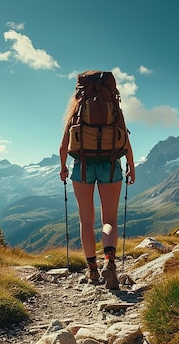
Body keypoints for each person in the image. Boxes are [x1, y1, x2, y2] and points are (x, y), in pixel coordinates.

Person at [59, 71, 136, 290]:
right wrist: (131, 165)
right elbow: (126, 140)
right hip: (111, 165)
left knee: (86, 220)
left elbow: (64, 144)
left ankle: (92, 270)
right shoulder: (114, 110)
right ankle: (109, 261)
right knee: (109, 219)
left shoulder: (77, 110)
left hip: (82, 166)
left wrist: (63, 166)